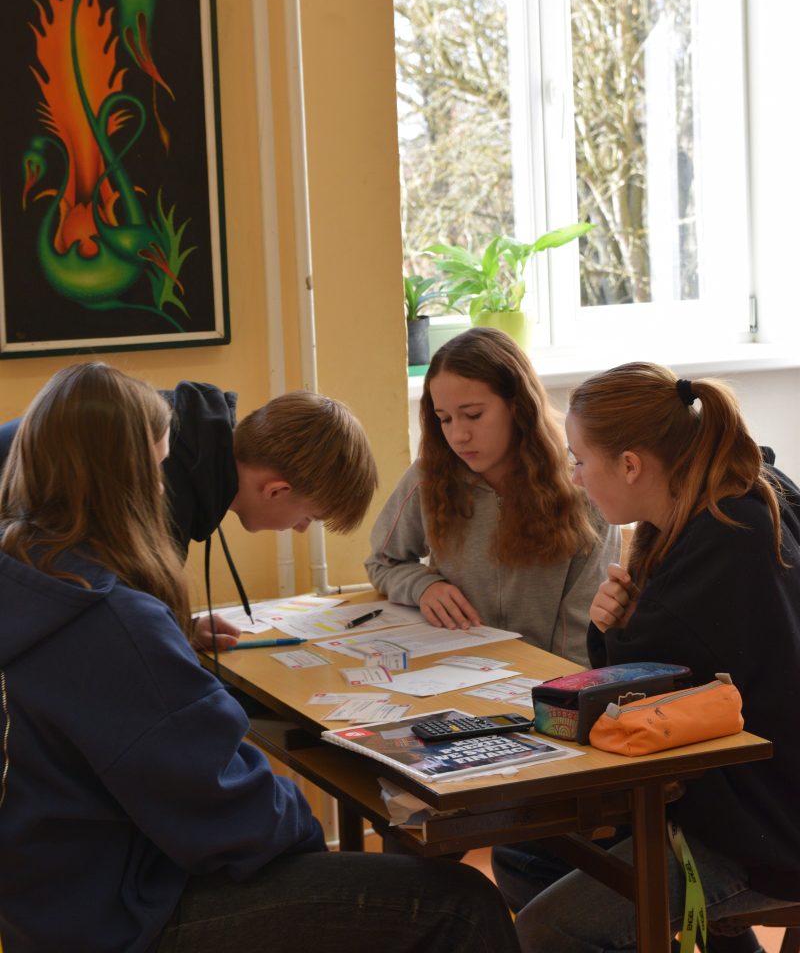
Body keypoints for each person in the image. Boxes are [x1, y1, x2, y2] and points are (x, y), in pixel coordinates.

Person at [0, 362, 521, 953]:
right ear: (129, 480)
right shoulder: (113, 621)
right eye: (156, 472)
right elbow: (223, 804)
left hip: (52, 895)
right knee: (464, 905)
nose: (165, 491)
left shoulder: (38, 585)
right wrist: (305, 839)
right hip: (122, 912)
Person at [499, 362, 800, 953]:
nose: (576, 478)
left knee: (548, 928)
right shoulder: (745, 491)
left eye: (580, 461)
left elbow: (631, 697)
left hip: (767, 827)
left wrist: (612, 624)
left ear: (631, 464)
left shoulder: (721, 544)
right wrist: (625, 622)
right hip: (749, 797)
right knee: (522, 853)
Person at [0, 380, 378, 651]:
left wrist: (178, 627)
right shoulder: (162, 488)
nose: (299, 529)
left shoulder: (189, 436)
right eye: (308, 517)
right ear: (276, 490)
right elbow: (120, 637)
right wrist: (164, 631)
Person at [365, 328, 618, 665]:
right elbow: (383, 562)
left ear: (518, 406)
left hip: (548, 679)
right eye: (444, 419)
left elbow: (581, 632)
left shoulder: (582, 489)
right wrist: (423, 586)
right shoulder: (428, 477)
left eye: (473, 415)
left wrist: (555, 689)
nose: (459, 435)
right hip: (454, 670)